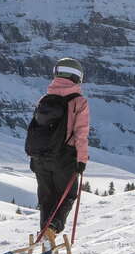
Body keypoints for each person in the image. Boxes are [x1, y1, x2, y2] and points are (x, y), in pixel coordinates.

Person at [24, 57, 90, 243]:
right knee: (67, 195)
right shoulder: (78, 101)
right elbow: (81, 133)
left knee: (46, 197)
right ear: (78, 77)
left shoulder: (44, 99)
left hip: (39, 158)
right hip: (64, 158)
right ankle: (52, 230)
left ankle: (45, 233)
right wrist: (82, 160)